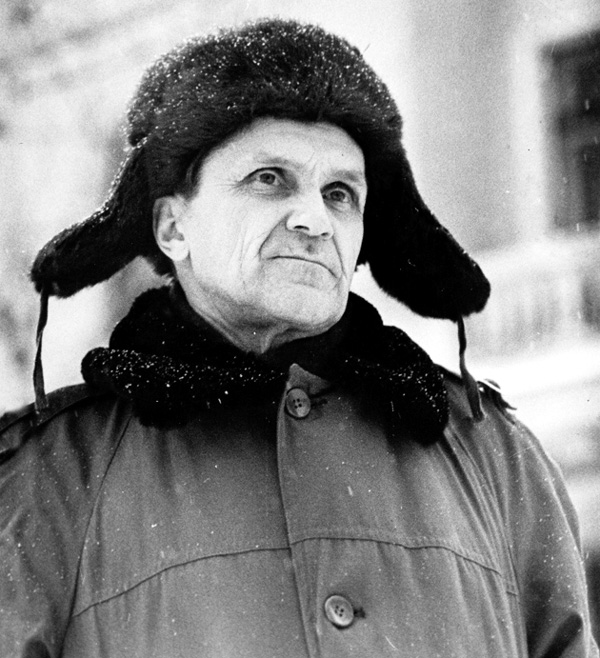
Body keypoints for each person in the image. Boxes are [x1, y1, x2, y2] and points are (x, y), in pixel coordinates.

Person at [0, 18, 597, 658]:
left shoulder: (497, 457)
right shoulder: (48, 481)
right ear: (173, 227)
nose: (315, 219)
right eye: (269, 179)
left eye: (340, 193)